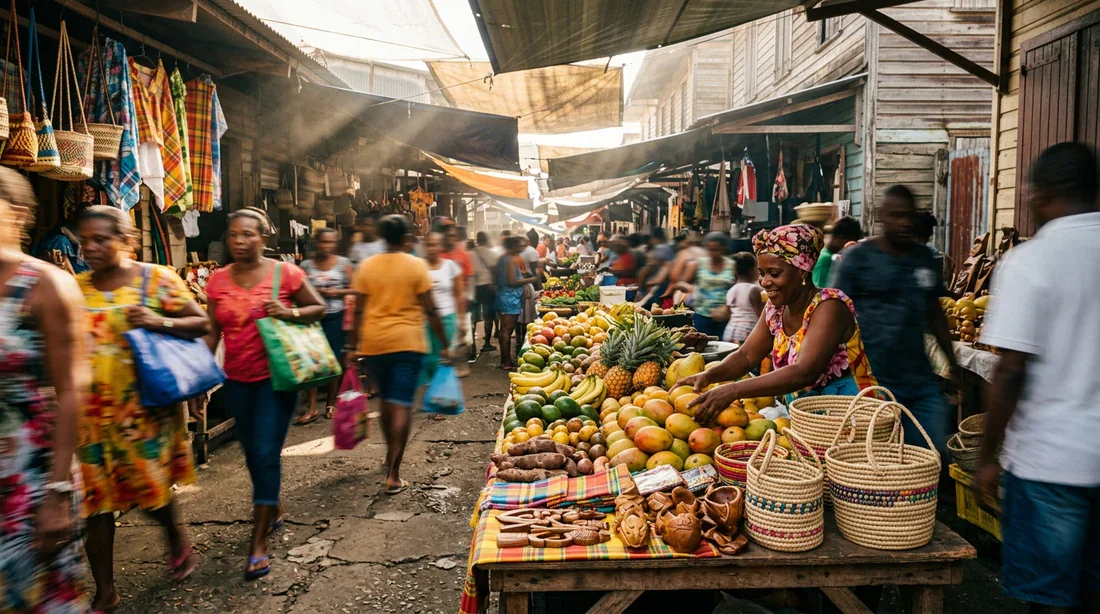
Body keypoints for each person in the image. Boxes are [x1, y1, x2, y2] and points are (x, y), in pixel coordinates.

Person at [976, 143, 1100, 614]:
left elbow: (1009, 371)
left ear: (1041, 194)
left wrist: (987, 457)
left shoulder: (1031, 261)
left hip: (1050, 463)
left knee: (1048, 598)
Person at [75, 206, 210, 610]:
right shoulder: (75, 287)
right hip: (90, 417)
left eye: (101, 239)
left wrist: (155, 320)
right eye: (85, 240)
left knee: (150, 494)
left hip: (144, 413)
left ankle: (173, 535)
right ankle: (106, 590)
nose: (91, 248)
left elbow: (200, 324)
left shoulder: (156, 279)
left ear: (127, 241)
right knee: (94, 505)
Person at [204, 208, 327, 580]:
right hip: (236, 382)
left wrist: (288, 314)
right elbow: (212, 330)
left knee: (265, 453)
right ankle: (271, 505)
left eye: (248, 234)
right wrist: (201, 380)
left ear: (264, 238)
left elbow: (319, 307)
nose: (240, 241)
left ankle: (258, 542)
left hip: (276, 380)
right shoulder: (218, 280)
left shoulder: (285, 272)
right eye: (234, 235)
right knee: (251, 454)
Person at [0, 168, 91, 614]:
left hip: (31, 474)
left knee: (40, 600)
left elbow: (72, 390)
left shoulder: (48, 286)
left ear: (16, 215)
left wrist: (56, 490)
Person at [678, 224, 877, 422]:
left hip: (854, 420)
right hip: (810, 423)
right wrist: (709, 376)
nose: (764, 282)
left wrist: (733, 390)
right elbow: (746, 356)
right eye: (762, 273)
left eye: (774, 273)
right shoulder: (776, 309)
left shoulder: (829, 307)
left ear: (802, 272)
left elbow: (804, 372)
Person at [832, 185, 957, 455]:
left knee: (931, 456)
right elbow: (835, 314)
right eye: (897, 215)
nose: (905, 223)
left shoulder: (924, 259)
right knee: (882, 460)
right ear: (881, 216)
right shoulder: (858, 259)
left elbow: (935, 314)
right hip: (872, 383)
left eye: (909, 216)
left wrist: (953, 365)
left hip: (920, 381)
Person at [351, 215, 448, 496]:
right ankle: (393, 473)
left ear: (382, 237)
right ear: (407, 238)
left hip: (374, 344)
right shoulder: (416, 266)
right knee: (402, 405)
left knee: (385, 402)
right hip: (407, 343)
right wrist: (444, 343)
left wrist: (352, 346)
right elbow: (430, 309)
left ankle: (389, 455)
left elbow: (357, 309)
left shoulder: (367, 267)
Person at [298, 228, 354, 424]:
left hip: (335, 317)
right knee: (311, 361)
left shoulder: (343, 264)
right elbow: (297, 289)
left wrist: (334, 293)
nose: (327, 246)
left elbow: (354, 289)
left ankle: (331, 403)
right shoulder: (306, 265)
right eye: (323, 242)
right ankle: (312, 406)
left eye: (331, 242)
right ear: (316, 242)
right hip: (312, 319)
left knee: (333, 362)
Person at [420, 232, 465, 385]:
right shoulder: (418, 266)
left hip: (447, 318)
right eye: (428, 245)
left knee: (445, 356)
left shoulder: (450, 266)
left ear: (441, 246)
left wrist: (462, 321)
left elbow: (459, 295)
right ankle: (432, 394)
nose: (431, 248)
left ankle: (442, 392)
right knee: (428, 358)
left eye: (435, 244)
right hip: (424, 320)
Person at [674, 232, 736, 338]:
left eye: (717, 250)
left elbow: (736, 288)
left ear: (724, 249)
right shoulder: (699, 264)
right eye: (710, 250)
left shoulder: (732, 265)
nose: (713, 253)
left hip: (724, 316)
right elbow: (679, 283)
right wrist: (691, 288)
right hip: (702, 314)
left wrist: (728, 308)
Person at [495, 236, 539, 370]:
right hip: (509, 298)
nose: (522, 248)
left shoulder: (503, 258)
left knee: (505, 329)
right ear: (513, 247)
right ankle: (506, 361)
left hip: (504, 296)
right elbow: (512, 281)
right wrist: (530, 280)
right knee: (507, 330)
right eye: (520, 246)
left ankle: (505, 359)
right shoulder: (511, 260)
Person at [441, 225, 473, 359]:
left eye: (453, 236)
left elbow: (470, 276)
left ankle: (458, 361)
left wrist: (470, 296)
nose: (451, 239)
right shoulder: (439, 255)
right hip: (444, 302)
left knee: (462, 335)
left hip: (461, 300)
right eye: (448, 236)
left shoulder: (463, 255)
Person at [723, 252, 764, 344]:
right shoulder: (754, 289)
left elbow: (728, 313)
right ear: (752, 270)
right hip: (747, 331)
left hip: (730, 331)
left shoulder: (732, 289)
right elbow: (760, 314)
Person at [470, 231, 500, 352]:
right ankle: (486, 343)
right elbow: (495, 271)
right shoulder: (491, 253)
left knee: (472, 317)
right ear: (487, 240)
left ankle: (472, 346)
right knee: (488, 317)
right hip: (487, 288)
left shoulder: (470, 254)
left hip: (473, 288)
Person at [812, 216, 861, 288]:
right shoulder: (827, 258)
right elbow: (819, 289)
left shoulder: (827, 254)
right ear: (839, 238)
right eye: (849, 241)